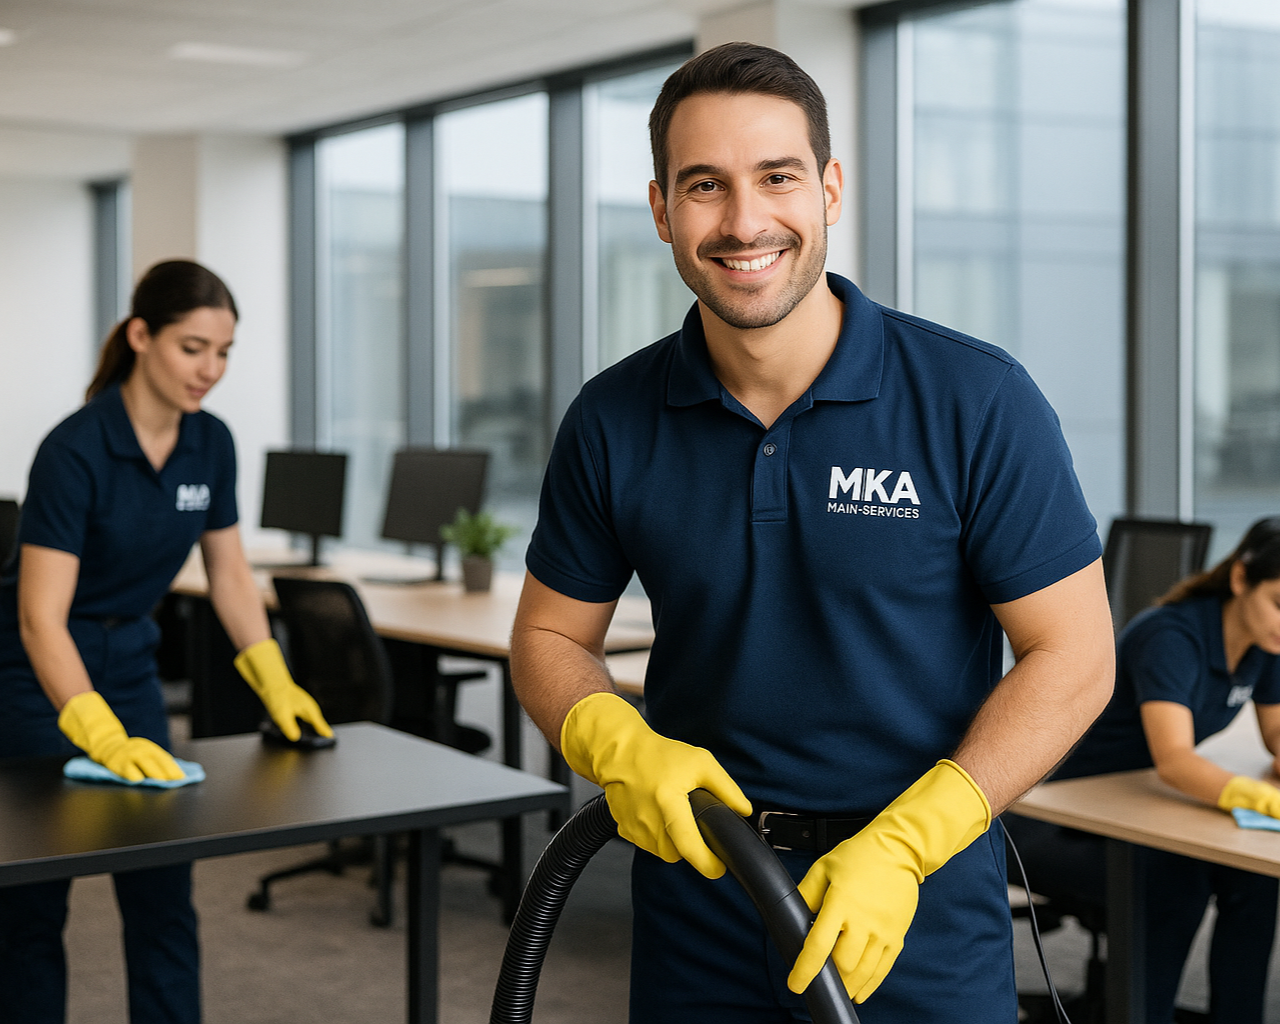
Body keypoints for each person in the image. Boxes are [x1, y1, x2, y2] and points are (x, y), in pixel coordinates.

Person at [510, 41, 1114, 1024]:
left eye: (776, 177)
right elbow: (546, 636)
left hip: (910, 908)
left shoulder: (973, 399)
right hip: (698, 899)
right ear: (661, 209)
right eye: (703, 185)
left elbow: (1075, 651)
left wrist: (910, 841)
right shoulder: (613, 417)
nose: (744, 221)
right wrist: (616, 740)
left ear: (828, 189)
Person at [0, 259, 332, 1024]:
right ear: (141, 336)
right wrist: (92, 730)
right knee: (29, 911)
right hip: (37, 684)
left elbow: (230, 577)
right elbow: (38, 619)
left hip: (131, 675)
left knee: (163, 898)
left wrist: (275, 682)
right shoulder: (74, 450)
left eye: (224, 352)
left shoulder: (210, 444)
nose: (210, 370)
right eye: (193, 348)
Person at [1006, 516, 1280, 1024]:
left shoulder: (1267, 644)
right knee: (1175, 883)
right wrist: (1265, 800)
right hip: (1060, 816)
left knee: (1255, 880)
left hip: (1141, 803)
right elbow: (1176, 762)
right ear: (1242, 579)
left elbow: (1275, 734)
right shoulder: (1172, 637)